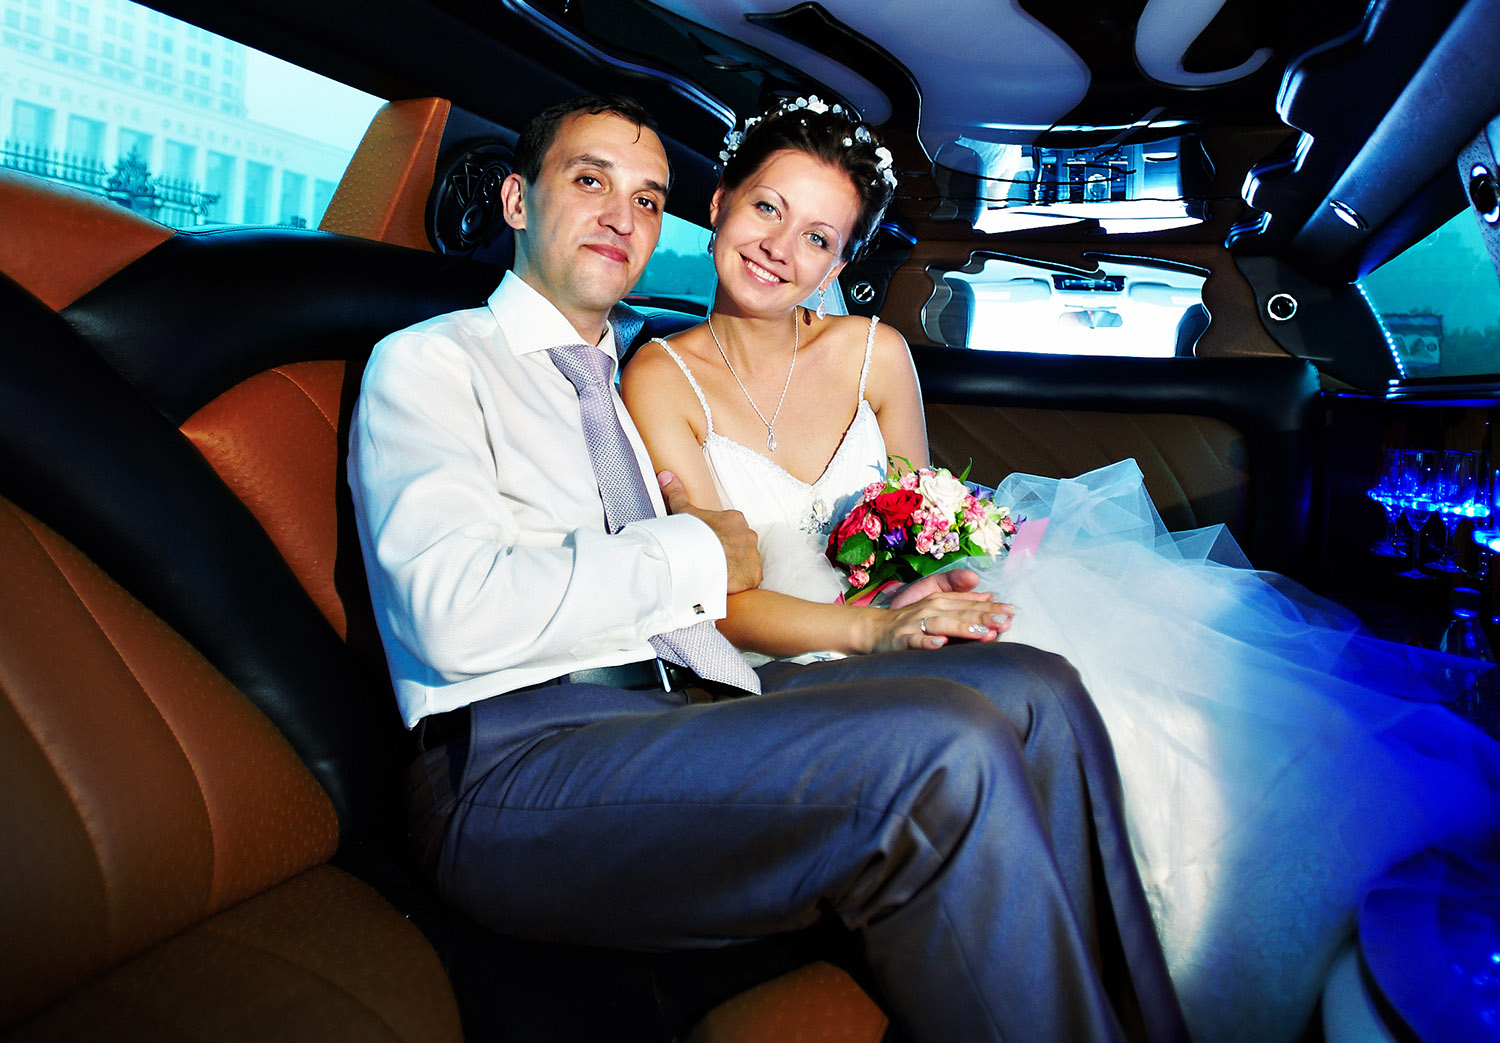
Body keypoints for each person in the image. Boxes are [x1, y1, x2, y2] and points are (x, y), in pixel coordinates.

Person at [619, 97, 1500, 1043]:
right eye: (766, 210)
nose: (781, 249)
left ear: (838, 263)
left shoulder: (874, 350)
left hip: (911, 612)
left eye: (818, 236)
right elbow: (722, 596)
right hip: (796, 660)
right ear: (718, 202)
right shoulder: (660, 377)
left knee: (1152, 716)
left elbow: (919, 514)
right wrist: (871, 626)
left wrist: (937, 578)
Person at [347, 94, 1189, 1043]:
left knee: (1040, 693)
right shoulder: (429, 363)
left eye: (649, 199)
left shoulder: (626, 380)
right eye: (590, 182)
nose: (623, 217)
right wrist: (693, 551)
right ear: (514, 202)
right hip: (509, 763)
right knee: (945, 745)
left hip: (683, 704)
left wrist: (913, 574)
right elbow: (451, 616)